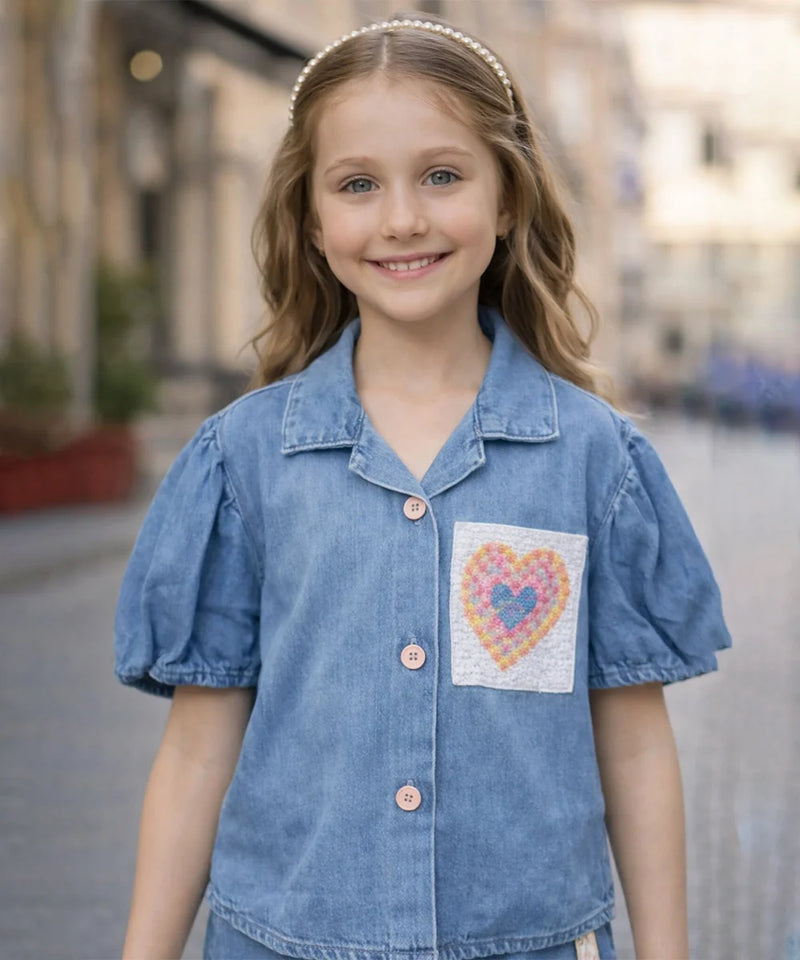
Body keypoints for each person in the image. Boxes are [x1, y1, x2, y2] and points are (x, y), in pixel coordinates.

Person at [114, 14, 731, 960]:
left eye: (442, 176)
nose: (402, 218)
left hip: (529, 941)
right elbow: (200, 748)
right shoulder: (243, 460)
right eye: (359, 185)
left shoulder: (594, 459)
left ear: (508, 197)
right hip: (282, 938)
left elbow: (636, 745)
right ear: (314, 222)